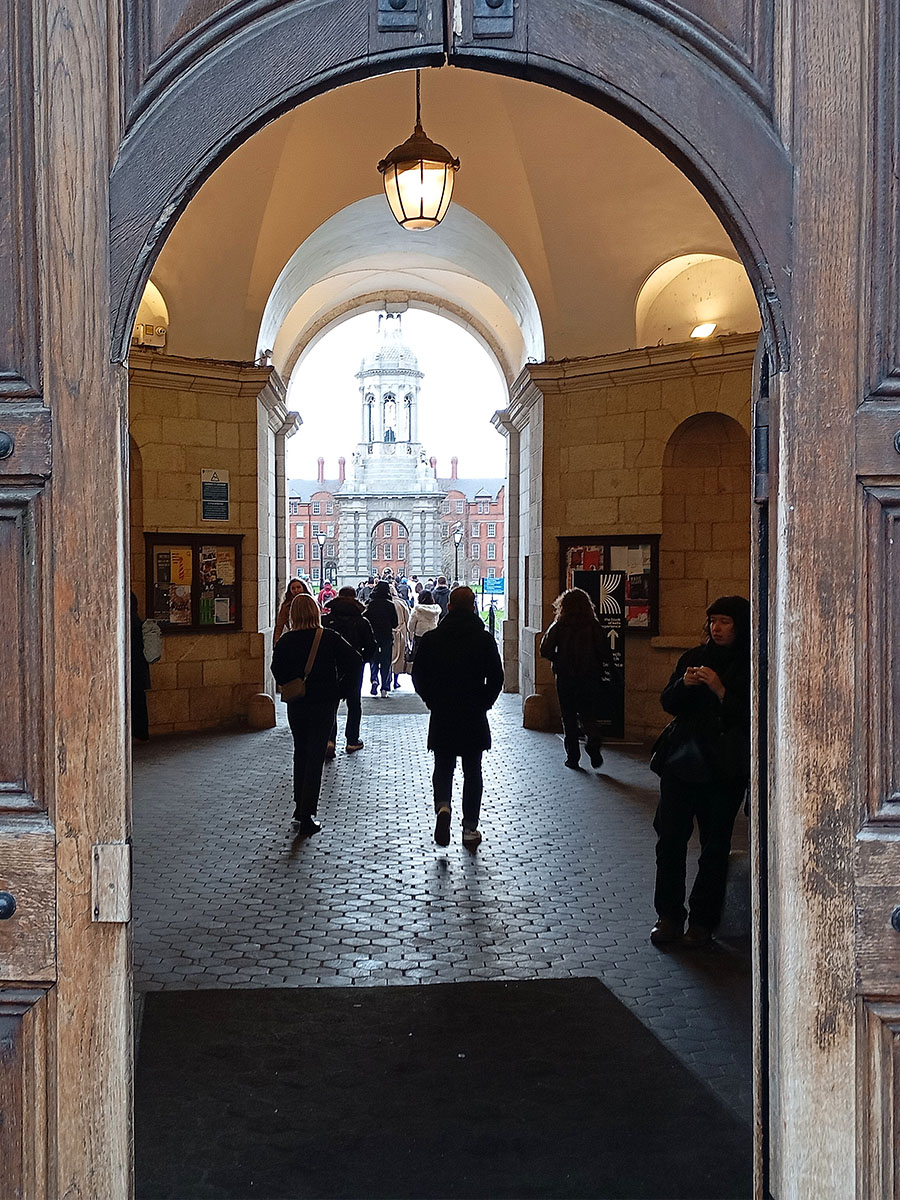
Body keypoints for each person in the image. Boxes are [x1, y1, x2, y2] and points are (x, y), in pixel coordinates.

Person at [648, 596, 751, 948]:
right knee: (670, 840)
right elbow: (668, 702)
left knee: (714, 845)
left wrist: (721, 690)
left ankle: (703, 921)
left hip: (723, 769)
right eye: (713, 621)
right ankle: (669, 916)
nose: (717, 629)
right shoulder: (694, 658)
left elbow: (751, 714)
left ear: (739, 626)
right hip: (681, 763)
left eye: (725, 622)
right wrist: (685, 684)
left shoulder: (749, 663)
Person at [412, 586, 504, 848]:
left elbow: (418, 676)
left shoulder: (432, 639)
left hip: (443, 713)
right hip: (473, 714)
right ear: (474, 607)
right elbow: (496, 679)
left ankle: (443, 807)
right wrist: (483, 703)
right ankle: (469, 827)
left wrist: (432, 700)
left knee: (443, 767)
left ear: (449, 607)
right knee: (472, 771)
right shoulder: (484, 639)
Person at [270, 593, 360, 836]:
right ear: (315, 612)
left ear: (293, 615)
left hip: (297, 703)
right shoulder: (328, 638)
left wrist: (291, 683)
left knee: (300, 752)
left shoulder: (286, 641)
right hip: (323, 704)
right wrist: (341, 690)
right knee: (315, 757)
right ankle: (308, 813)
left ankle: (299, 806)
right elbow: (355, 661)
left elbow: (276, 669)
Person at [539, 588, 615, 770]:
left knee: (568, 716)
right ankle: (593, 741)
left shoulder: (559, 625)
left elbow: (544, 649)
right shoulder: (594, 626)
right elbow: (605, 652)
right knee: (588, 713)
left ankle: (573, 757)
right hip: (589, 676)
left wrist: (558, 658)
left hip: (565, 677)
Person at [321, 587, 376, 754]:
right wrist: (361, 660)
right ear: (354, 598)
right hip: (354, 667)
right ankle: (352, 740)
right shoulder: (362, 621)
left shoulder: (325, 620)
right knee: (354, 704)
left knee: (330, 703)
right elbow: (371, 646)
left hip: (331, 666)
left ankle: (330, 740)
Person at [364, 580, 399, 696]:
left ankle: (374, 680)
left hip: (373, 636)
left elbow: (366, 619)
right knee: (386, 661)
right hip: (386, 636)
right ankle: (385, 686)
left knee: (374, 660)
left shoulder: (371, 604)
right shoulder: (390, 605)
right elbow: (395, 623)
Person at [130, 591, 151, 741]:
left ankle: (138, 732)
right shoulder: (137, 621)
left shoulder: (129, 623)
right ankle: (141, 733)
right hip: (138, 669)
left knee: (134, 701)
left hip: (132, 670)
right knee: (139, 700)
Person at [274, 577, 313, 644]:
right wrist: (276, 642)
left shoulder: (311, 602)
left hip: (311, 635)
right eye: (293, 588)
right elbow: (279, 626)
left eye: (298, 587)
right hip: (294, 636)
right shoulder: (286, 606)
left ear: (303, 588)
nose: (296, 590)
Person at [407, 589, 441, 659]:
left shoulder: (417, 610)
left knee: (419, 658)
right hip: (433, 635)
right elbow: (436, 622)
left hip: (420, 637)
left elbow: (411, 627)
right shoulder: (436, 610)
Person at [390, 586, 410, 689]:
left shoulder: (384, 603)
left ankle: (386, 679)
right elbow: (407, 618)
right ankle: (395, 680)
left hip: (388, 632)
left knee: (388, 656)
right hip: (400, 631)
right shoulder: (401, 603)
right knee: (399, 656)